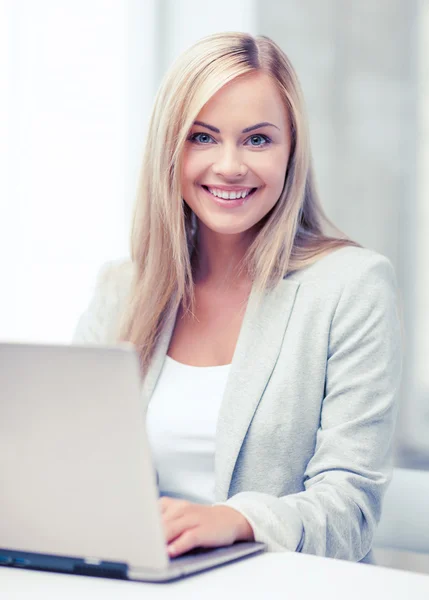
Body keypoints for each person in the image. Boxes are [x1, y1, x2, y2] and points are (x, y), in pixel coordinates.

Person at [73, 32, 403, 562]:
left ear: (291, 151)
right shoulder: (121, 290)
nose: (229, 166)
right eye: (202, 137)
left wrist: (236, 521)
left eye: (257, 140)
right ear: (169, 149)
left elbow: (350, 510)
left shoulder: (352, 286)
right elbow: (73, 465)